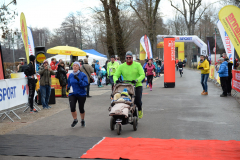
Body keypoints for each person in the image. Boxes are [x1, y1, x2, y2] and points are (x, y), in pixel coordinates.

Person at [113, 51, 145, 119]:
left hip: (137, 85)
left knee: (137, 101)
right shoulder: (122, 66)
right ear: (125, 58)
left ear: (132, 58)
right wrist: (116, 80)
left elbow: (142, 74)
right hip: (127, 86)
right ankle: (134, 115)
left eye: (130, 57)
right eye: (127, 57)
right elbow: (115, 75)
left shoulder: (137, 65)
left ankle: (139, 109)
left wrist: (137, 80)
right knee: (128, 101)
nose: (128, 59)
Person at [67, 62, 89, 127]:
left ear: (79, 67)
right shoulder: (70, 75)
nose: (75, 67)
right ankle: (75, 120)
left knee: (81, 108)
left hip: (81, 94)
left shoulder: (83, 75)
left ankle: (82, 120)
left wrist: (79, 80)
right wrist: (68, 87)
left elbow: (85, 84)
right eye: (74, 65)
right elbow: (69, 83)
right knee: (72, 107)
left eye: (76, 66)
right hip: (72, 94)